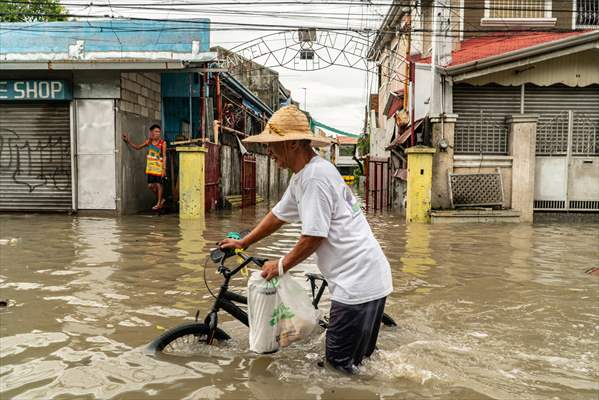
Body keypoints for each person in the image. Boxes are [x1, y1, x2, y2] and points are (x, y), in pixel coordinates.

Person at [219, 105, 393, 374]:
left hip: (356, 285)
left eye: (273, 145)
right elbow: (277, 215)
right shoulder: (308, 174)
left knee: (338, 369)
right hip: (367, 278)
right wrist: (244, 242)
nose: (269, 152)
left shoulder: (314, 178)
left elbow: (313, 237)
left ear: (291, 144)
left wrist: (279, 266)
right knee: (357, 367)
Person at [122, 124, 167, 210]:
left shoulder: (163, 143)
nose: (158, 133)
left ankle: (159, 203)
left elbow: (164, 156)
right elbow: (137, 147)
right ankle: (161, 199)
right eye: (156, 131)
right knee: (150, 186)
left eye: (159, 132)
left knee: (159, 184)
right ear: (152, 132)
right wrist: (128, 141)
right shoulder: (148, 142)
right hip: (150, 168)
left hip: (159, 167)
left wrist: (164, 169)